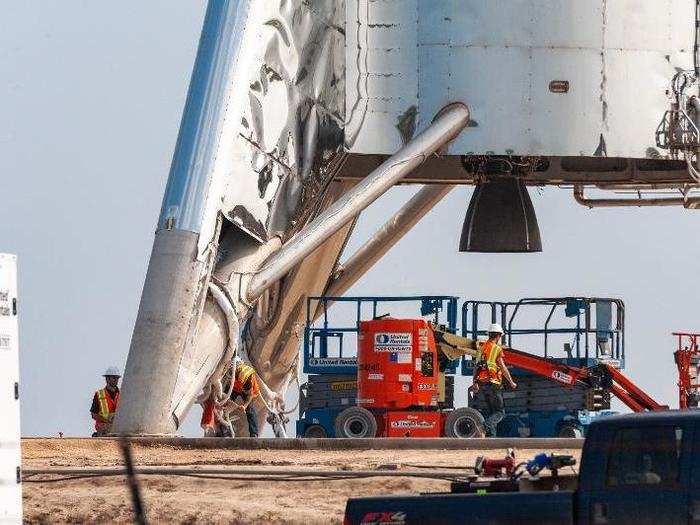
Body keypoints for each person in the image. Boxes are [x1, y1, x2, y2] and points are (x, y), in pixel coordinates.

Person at [473, 323, 517, 437]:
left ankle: (491, 439)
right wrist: (511, 382)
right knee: (499, 413)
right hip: (494, 383)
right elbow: (502, 367)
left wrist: (474, 383)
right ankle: (483, 427)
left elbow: (476, 367)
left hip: (483, 384)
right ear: (498, 336)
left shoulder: (481, 348)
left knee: (492, 413)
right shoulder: (497, 349)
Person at [226, 357, 261, 438]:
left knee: (250, 410)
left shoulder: (247, 376)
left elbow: (250, 394)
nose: (231, 373)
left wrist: (244, 406)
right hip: (234, 387)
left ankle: (254, 434)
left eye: (233, 371)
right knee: (223, 407)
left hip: (246, 390)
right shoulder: (228, 370)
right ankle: (222, 431)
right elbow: (228, 386)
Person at [90, 366, 121, 437]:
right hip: (103, 429)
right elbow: (94, 414)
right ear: (107, 379)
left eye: (117, 378)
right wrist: (107, 420)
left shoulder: (122, 394)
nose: (116, 380)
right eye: (114, 378)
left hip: (118, 429)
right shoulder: (99, 394)